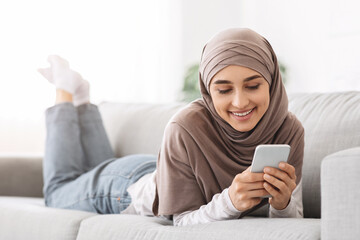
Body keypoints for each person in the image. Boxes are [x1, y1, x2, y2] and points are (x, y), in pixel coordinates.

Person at [40, 28, 304, 227]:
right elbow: (182, 222)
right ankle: (66, 90)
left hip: (166, 173)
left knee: (90, 169)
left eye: (253, 86)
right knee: (58, 190)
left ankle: (82, 97)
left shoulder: (289, 130)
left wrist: (282, 204)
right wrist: (230, 201)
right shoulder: (185, 125)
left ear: (271, 82)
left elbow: (294, 219)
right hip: (124, 188)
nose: (239, 102)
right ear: (208, 92)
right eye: (224, 89)